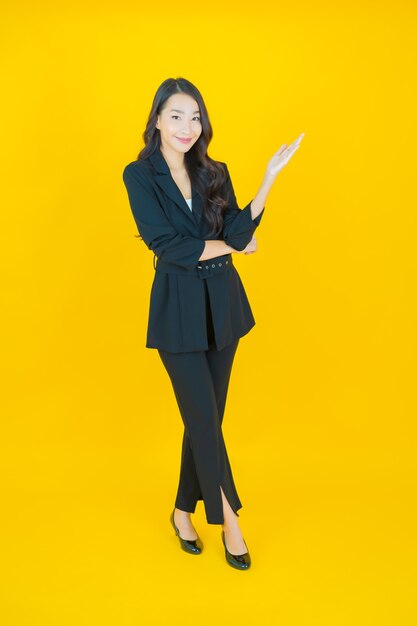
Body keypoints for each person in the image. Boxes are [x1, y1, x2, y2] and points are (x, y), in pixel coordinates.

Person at [122, 77, 304, 570]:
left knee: (205, 421)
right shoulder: (139, 176)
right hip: (177, 310)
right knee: (203, 419)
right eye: (176, 116)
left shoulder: (214, 170)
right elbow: (168, 246)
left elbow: (239, 228)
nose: (187, 126)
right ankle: (232, 524)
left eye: (195, 116)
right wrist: (235, 246)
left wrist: (268, 180)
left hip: (222, 304)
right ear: (157, 119)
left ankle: (183, 511)